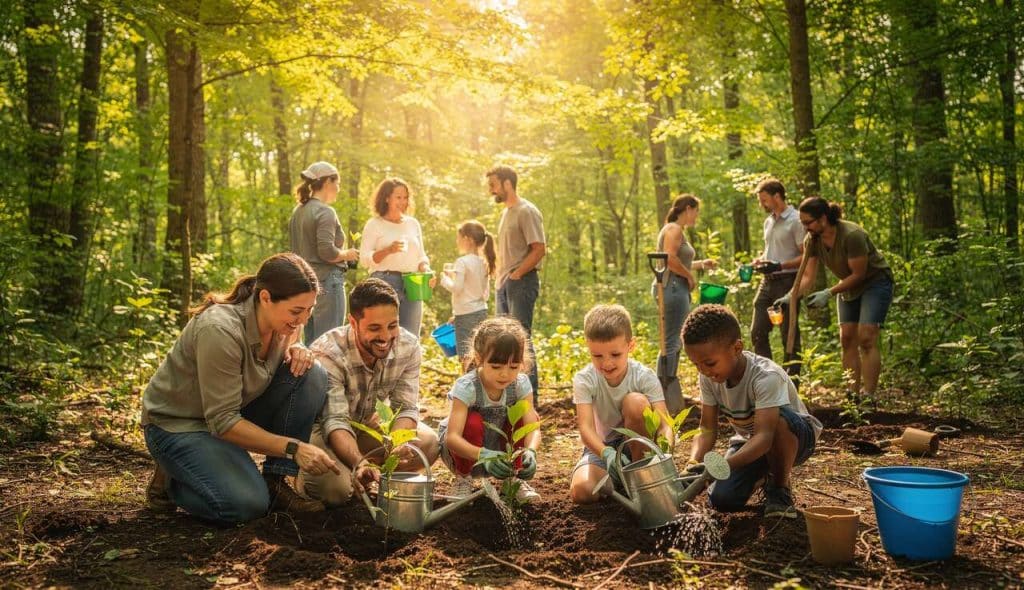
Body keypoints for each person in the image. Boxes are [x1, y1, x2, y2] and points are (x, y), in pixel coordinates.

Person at [141, 253, 340, 524]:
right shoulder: (219, 330)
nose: (303, 320)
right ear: (265, 298)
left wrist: (299, 348)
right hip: (179, 425)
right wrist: (293, 448)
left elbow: (287, 361)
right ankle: (175, 481)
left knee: (312, 374)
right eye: (296, 311)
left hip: (234, 409)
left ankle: (275, 482)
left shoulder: (285, 324)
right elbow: (222, 422)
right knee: (246, 506)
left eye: (309, 310)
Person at [298, 278, 440, 506]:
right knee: (336, 492)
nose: (385, 337)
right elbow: (335, 421)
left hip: (365, 423)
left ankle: (367, 473)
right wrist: (357, 461)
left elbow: (406, 408)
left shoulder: (408, 345)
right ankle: (309, 475)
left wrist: (396, 445)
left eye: (392, 326)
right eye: (374, 328)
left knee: (428, 443)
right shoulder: (330, 354)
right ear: (353, 323)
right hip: (322, 430)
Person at [682, 304, 821, 518]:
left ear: (737, 348)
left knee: (779, 423)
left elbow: (765, 437)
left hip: (794, 437)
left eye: (709, 363)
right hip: (750, 441)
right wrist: (694, 463)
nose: (703, 371)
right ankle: (763, 474)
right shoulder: (708, 376)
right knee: (722, 500)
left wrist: (721, 466)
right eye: (696, 364)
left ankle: (780, 488)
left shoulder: (765, 377)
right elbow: (707, 428)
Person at [775, 197, 895, 402]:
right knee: (847, 338)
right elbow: (808, 277)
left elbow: (859, 274)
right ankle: (852, 395)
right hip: (848, 286)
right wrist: (790, 297)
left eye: (808, 223)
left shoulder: (852, 235)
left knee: (866, 337)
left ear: (823, 218)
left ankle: (869, 396)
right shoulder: (812, 240)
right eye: (802, 223)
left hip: (874, 283)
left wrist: (828, 293)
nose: (805, 227)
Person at [568, 304, 673, 504]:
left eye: (615, 355)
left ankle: (640, 477)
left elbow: (664, 423)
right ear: (588, 347)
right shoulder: (585, 379)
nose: (606, 363)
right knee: (583, 492)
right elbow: (586, 428)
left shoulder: (644, 377)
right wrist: (606, 453)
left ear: (630, 346)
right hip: (601, 447)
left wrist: (664, 451)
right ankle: (624, 481)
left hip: (638, 445)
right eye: (597, 356)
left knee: (635, 402)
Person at [437, 316, 542, 503]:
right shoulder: (467, 387)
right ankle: (463, 479)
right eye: (496, 366)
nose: (505, 374)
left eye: (513, 366)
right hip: (465, 454)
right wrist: (483, 455)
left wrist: (531, 451)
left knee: (524, 414)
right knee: (473, 420)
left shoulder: (520, 384)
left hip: (502, 457)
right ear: (479, 359)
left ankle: (513, 478)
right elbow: (452, 438)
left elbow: (532, 427)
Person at [487, 165, 545, 399]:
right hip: (504, 284)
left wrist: (517, 274)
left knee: (521, 340)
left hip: (521, 283)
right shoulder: (506, 213)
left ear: (507, 183)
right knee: (504, 341)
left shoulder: (526, 211)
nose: (491, 190)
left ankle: (530, 399)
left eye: (493, 185)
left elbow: (539, 249)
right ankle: (510, 396)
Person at [289, 161, 360, 345]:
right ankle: (328, 375)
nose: (338, 188)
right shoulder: (325, 212)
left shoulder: (298, 211)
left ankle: (312, 375)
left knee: (312, 343)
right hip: (328, 283)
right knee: (330, 342)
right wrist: (348, 254)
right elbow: (327, 252)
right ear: (328, 182)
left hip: (305, 286)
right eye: (338, 183)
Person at [653, 195, 718, 387]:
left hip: (672, 287)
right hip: (672, 288)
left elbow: (680, 261)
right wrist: (690, 277)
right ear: (688, 209)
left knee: (672, 341)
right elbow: (670, 259)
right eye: (696, 211)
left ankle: (666, 382)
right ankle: (664, 385)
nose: (696, 216)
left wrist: (701, 265)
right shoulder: (674, 229)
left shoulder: (675, 229)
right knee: (671, 342)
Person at [359, 178, 434, 337]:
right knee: (385, 335)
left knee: (411, 337)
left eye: (405, 197)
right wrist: (388, 250)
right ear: (387, 198)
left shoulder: (413, 224)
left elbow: (421, 256)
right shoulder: (374, 224)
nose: (403, 201)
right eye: (398, 197)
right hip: (384, 281)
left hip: (413, 282)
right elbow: (364, 259)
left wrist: (427, 270)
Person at [749, 179, 806, 378]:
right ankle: (769, 377)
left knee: (788, 335)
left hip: (787, 282)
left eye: (764, 200)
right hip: (767, 282)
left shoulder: (796, 220)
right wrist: (761, 261)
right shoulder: (769, 221)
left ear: (777, 196)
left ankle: (792, 382)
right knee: (757, 332)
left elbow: (805, 257)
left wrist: (780, 265)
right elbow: (772, 251)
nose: (761, 204)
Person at [438, 220, 494, 364]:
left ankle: (468, 385)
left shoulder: (462, 262)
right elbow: (484, 294)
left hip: (466, 315)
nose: (457, 241)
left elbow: (457, 288)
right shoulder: (484, 262)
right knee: (480, 353)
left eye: (459, 238)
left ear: (467, 239)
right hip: (481, 312)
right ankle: (480, 385)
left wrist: (444, 279)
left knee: (466, 356)